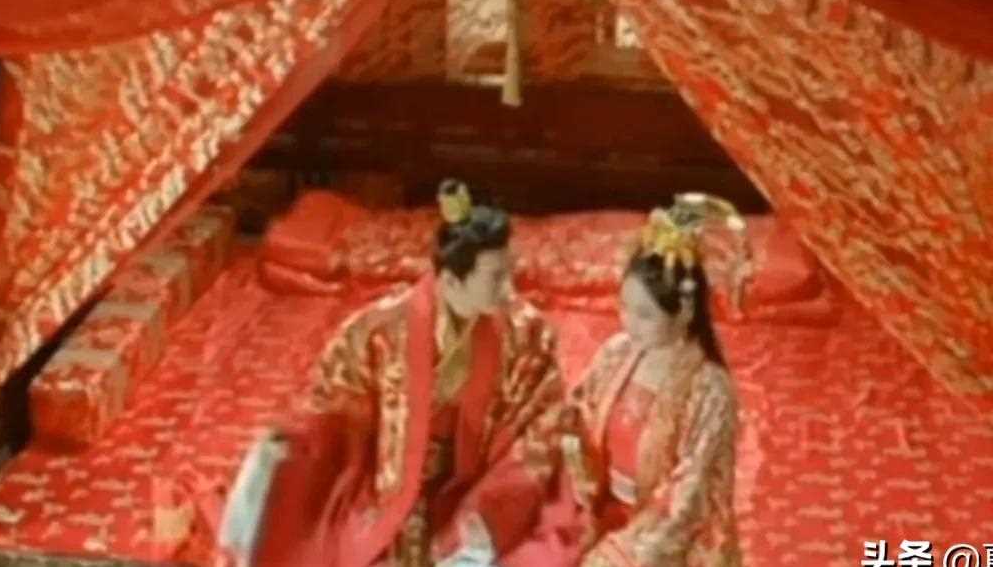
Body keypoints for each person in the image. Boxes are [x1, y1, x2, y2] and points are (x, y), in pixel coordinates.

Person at [218, 180, 564, 567]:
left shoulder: (527, 333)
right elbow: (335, 403)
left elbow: (540, 425)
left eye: (510, 272)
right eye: (496, 278)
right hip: (391, 484)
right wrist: (296, 437)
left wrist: (491, 505)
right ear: (451, 280)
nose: (510, 289)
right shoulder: (379, 331)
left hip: (476, 486)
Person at [510, 196, 742, 567]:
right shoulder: (617, 351)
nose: (628, 323)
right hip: (598, 503)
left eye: (644, 314)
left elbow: (691, 490)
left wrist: (632, 549)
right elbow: (579, 412)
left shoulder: (709, 389)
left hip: (663, 529)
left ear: (684, 311)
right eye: (624, 307)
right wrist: (565, 442)